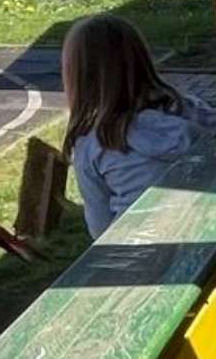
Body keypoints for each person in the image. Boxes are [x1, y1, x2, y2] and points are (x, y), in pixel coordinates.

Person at [61, 13, 198, 236]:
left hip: (137, 248)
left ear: (77, 77)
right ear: (141, 60)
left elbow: (99, 230)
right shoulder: (194, 112)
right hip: (210, 232)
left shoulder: (93, 145)